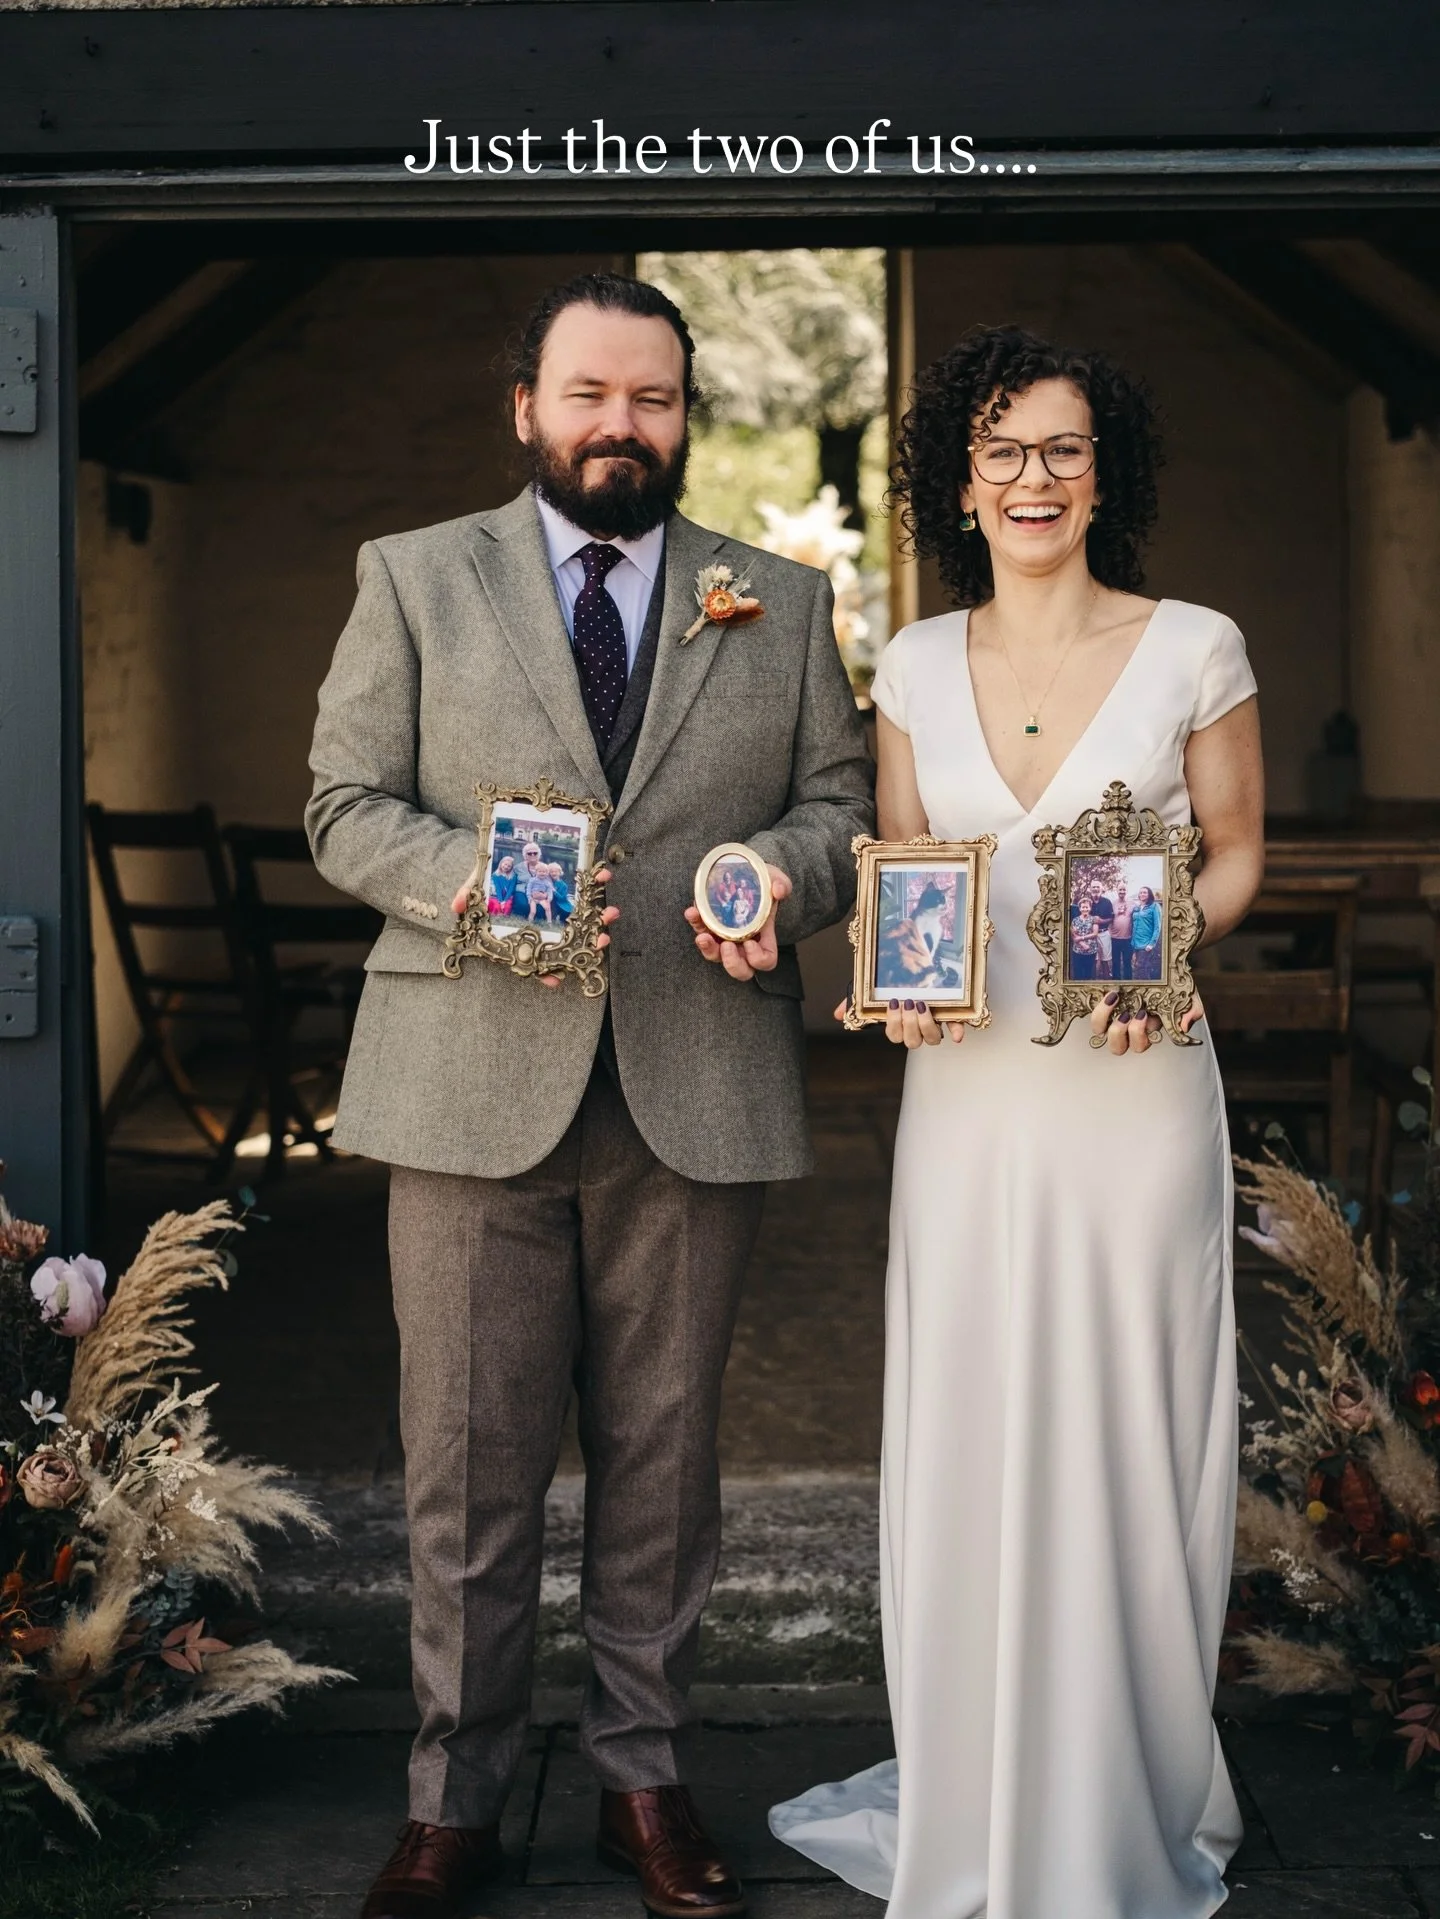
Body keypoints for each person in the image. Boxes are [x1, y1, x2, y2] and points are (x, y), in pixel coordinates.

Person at [307, 271, 873, 1919]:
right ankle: (450, 1796)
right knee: (464, 1474)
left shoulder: (775, 596)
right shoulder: (413, 577)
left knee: (665, 1466)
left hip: (693, 1075)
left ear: (687, 417)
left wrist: (774, 868)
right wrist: (486, 887)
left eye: (654, 399)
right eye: (589, 394)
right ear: (527, 407)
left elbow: (839, 809)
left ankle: (643, 1777)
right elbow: (344, 803)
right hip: (470, 1075)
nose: (620, 425)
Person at [769, 324, 1264, 1919]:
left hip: (1134, 1086)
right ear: (960, 482)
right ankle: (983, 1782)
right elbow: (919, 878)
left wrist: (1174, 951)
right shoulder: (910, 664)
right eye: (1002, 451)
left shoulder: (1197, 641)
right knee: (977, 1416)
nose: (1033, 477)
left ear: (1100, 469)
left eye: (1061, 447)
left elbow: (1239, 850)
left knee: (1128, 1419)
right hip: (969, 1095)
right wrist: (894, 981)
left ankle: (1119, 1781)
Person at [1132, 882, 1163, 979]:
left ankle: (1146, 990)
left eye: (1145, 892)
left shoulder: (1154, 906)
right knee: (1140, 967)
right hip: (1135, 943)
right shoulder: (1137, 908)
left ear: (1149, 894)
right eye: (1140, 892)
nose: (1142, 894)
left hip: (1146, 944)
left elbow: (1157, 927)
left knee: (1141, 969)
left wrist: (1151, 944)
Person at [1069, 894, 1100, 979]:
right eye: (1083, 907)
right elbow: (1073, 934)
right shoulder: (1075, 920)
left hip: (1090, 950)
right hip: (1077, 951)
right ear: (1079, 908)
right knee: (1078, 973)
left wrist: (1082, 938)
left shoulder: (1094, 919)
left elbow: (1095, 933)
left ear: (1090, 908)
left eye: (1087, 907)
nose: (1085, 909)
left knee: (1088, 973)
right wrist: (1082, 944)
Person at [1110, 878, 1135, 979]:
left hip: (1127, 938)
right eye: (1120, 889)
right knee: (1115, 962)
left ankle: (1128, 982)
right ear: (1117, 891)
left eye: (1124, 889)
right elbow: (1108, 917)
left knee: (1127, 962)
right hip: (1114, 938)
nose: (1122, 891)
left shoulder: (1132, 903)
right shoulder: (1112, 903)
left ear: (1126, 891)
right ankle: (1116, 982)